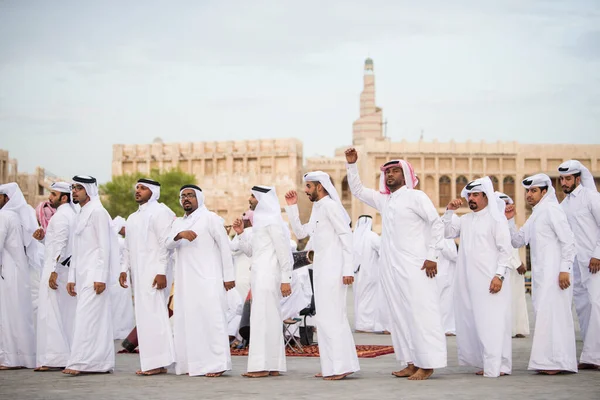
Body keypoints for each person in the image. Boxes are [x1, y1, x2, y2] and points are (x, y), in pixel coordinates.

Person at [344, 148, 446, 380]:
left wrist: (432, 255)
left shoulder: (416, 196)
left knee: (420, 313)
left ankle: (427, 364)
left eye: (395, 171)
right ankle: (410, 361)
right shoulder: (385, 200)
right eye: (387, 171)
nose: (390, 175)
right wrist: (352, 165)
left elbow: (436, 224)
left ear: (406, 175)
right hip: (391, 268)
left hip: (416, 266)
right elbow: (358, 190)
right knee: (399, 316)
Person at [285, 172, 360, 381]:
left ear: (320, 187)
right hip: (320, 270)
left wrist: (347, 269)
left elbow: (346, 237)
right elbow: (301, 233)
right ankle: (331, 366)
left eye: (308, 187)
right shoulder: (318, 208)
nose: (306, 191)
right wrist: (292, 207)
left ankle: (340, 366)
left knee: (333, 317)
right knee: (324, 319)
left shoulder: (331, 207)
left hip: (334, 271)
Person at [505, 173, 577, 375]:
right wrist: (510, 221)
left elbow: (568, 242)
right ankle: (548, 362)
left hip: (556, 276)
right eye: (528, 191)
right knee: (544, 317)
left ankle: (557, 362)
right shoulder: (536, 214)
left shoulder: (553, 210)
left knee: (556, 318)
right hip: (542, 277)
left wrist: (565, 269)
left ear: (544, 192)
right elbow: (518, 241)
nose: (529, 194)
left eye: (534, 191)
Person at [443, 177, 513, 377]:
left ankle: (496, 367)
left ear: (486, 196)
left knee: (492, 323)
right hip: (469, 282)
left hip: (491, 281)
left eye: (475, 195)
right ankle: (492, 364)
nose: (471, 198)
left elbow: (505, 251)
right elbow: (446, 232)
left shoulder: (496, 219)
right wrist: (449, 211)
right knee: (476, 323)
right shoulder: (465, 220)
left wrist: (499, 275)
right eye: (469, 195)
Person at [166, 184, 235, 377]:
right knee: (188, 322)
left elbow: (224, 247)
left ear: (199, 198)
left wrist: (228, 277)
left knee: (211, 320)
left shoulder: (210, 218)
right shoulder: (178, 223)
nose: (186, 199)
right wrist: (180, 235)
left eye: (190, 195)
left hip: (208, 279)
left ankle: (217, 364)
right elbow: (166, 244)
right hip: (185, 282)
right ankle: (191, 364)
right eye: (183, 196)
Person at [233, 185, 292, 378]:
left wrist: (286, 279)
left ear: (262, 199)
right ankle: (273, 365)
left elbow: (284, 252)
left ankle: (260, 367)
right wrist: (241, 233)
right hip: (259, 276)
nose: (250, 199)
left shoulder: (273, 221)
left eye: (253, 196)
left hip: (269, 276)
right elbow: (252, 251)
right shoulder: (260, 221)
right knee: (269, 319)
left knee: (262, 320)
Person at [119, 179, 176, 376]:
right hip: (139, 275)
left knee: (155, 316)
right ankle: (153, 362)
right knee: (144, 318)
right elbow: (127, 247)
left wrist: (161, 271)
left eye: (143, 188)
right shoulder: (133, 217)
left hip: (154, 273)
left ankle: (159, 362)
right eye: (137, 188)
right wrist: (123, 270)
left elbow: (164, 245)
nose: (138, 191)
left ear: (153, 191)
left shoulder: (161, 212)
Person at [64, 175, 119, 375]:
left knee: (87, 318)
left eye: (78, 188)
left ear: (88, 190)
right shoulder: (81, 213)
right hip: (82, 274)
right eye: (73, 188)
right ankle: (100, 363)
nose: (74, 191)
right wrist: (71, 277)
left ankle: (81, 362)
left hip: (95, 275)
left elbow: (105, 247)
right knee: (91, 319)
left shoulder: (98, 212)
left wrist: (101, 276)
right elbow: (76, 250)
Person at [558, 160, 600, 369]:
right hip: (575, 265)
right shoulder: (563, 205)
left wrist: (597, 254)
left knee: (596, 305)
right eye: (562, 179)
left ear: (577, 178)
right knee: (583, 308)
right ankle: (591, 356)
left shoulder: (591, 197)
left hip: (595, 263)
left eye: (567, 179)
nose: (564, 183)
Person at [33, 182, 77, 371]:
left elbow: (60, 246)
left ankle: (54, 359)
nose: (50, 197)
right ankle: (61, 356)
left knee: (51, 313)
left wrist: (54, 271)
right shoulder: (69, 215)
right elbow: (57, 245)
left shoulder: (61, 217)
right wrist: (43, 239)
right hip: (60, 269)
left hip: (56, 270)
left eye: (53, 194)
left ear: (64, 197)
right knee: (61, 314)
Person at [0, 183, 36, 369]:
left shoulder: (4, 216)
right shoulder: (17, 216)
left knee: (7, 315)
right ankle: (24, 357)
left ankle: (10, 359)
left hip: (7, 272)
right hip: (18, 272)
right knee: (20, 314)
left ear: (7, 198)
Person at [496, 191, 530, 338]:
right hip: (505, 268)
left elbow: (514, 245)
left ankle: (518, 328)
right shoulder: (496, 224)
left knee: (517, 298)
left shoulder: (511, 224)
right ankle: (508, 329)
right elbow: (503, 249)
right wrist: (516, 263)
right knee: (507, 299)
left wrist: (519, 262)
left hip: (516, 268)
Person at [352, 215, 384, 333]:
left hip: (357, 274)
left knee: (359, 298)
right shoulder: (372, 236)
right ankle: (366, 324)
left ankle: (360, 323)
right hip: (370, 273)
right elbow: (383, 250)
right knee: (369, 298)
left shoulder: (353, 237)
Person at [110, 216, 135, 341]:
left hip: (114, 275)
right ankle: (122, 330)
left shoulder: (112, 240)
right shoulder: (120, 241)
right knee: (122, 305)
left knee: (116, 305)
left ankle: (115, 329)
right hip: (121, 274)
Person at [230, 210, 253, 299]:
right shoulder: (252, 231)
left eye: (245, 220)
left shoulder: (247, 232)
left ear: (250, 221)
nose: (243, 221)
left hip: (243, 274)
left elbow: (233, 248)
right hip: (249, 273)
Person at [437, 238, 458, 336]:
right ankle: (446, 327)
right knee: (446, 302)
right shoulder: (446, 238)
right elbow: (453, 254)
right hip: (445, 273)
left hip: (443, 273)